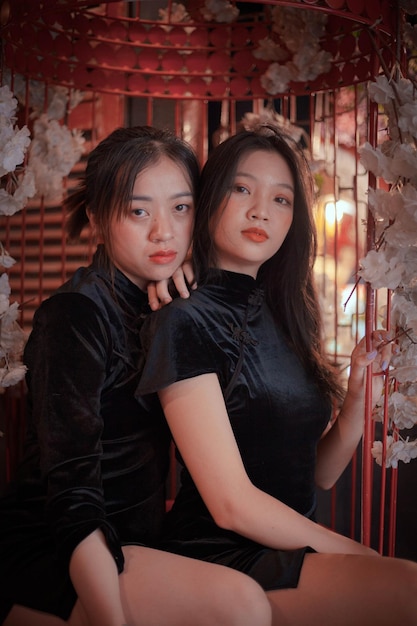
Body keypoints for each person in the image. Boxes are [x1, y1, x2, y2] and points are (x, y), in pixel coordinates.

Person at [138, 125, 417, 626]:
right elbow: (230, 505)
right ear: (208, 200)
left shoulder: (287, 318)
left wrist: (356, 397)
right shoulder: (183, 319)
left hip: (290, 551)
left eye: (282, 198)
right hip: (220, 555)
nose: (260, 210)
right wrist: (357, 553)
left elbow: (318, 475)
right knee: (405, 590)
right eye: (242, 189)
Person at [0, 126, 273, 626]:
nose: (163, 232)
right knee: (242, 606)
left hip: (141, 542)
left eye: (181, 208)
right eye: (138, 211)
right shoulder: (75, 314)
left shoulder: (177, 303)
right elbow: (73, 495)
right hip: (60, 541)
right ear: (100, 219)